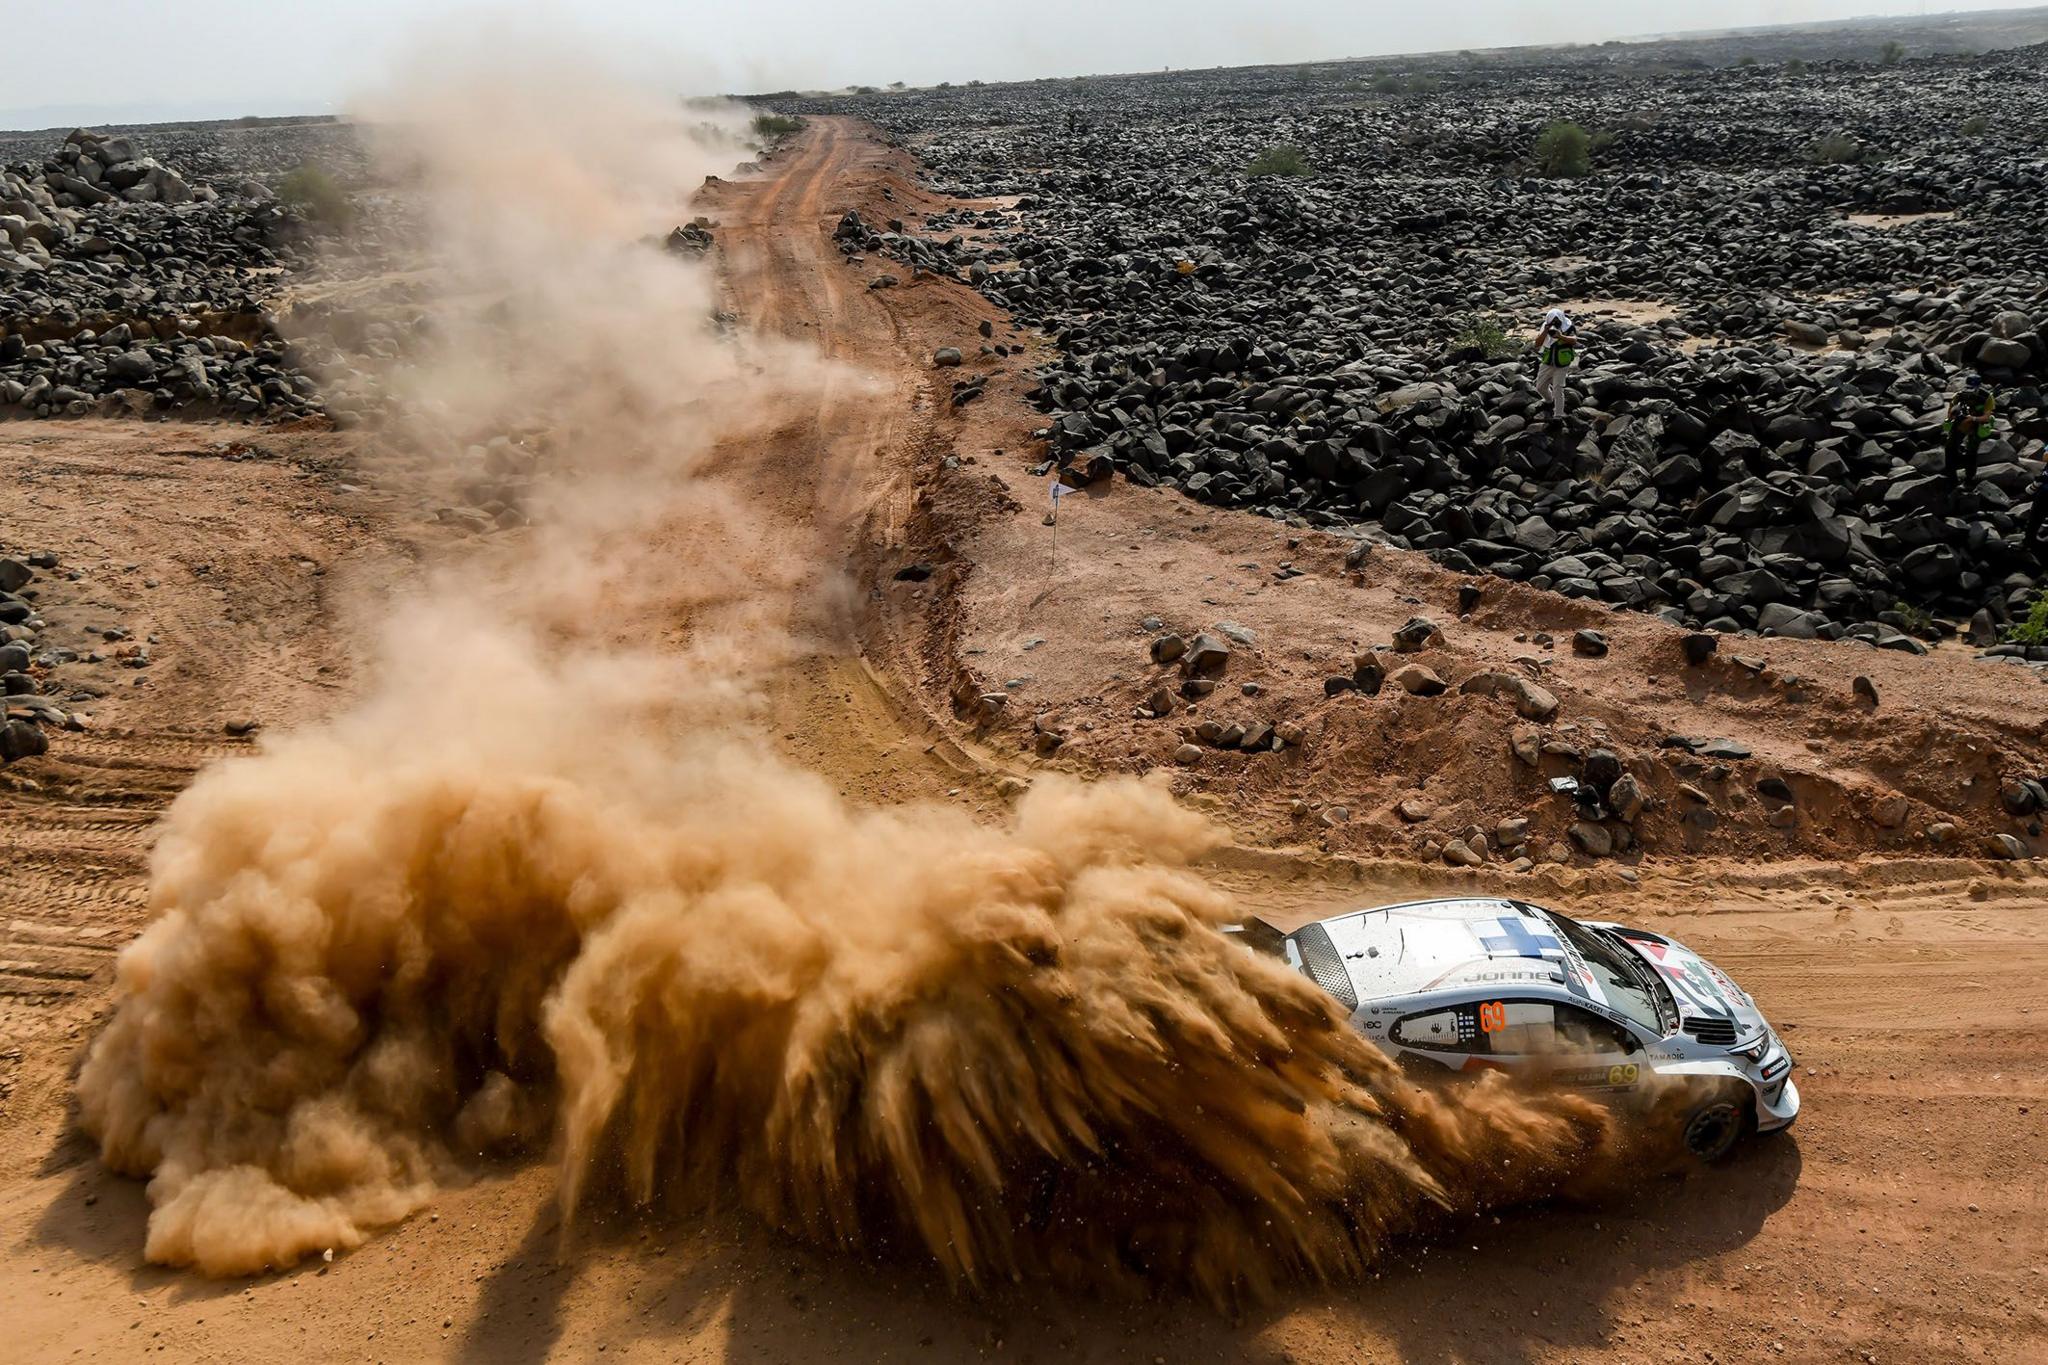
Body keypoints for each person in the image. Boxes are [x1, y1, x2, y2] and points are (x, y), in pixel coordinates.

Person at [1944, 374, 1996, 496]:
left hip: (1978, 422)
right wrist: (1952, 416)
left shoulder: (1987, 397)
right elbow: (1950, 414)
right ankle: (1951, 477)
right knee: (1949, 447)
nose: (1969, 392)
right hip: (1962, 421)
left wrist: (1971, 418)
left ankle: (1969, 480)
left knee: (1971, 451)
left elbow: (1986, 417)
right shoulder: (1959, 395)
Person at [1534, 308, 1580, 424]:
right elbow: (1537, 344)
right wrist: (1546, 331)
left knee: (1558, 388)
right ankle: (1549, 401)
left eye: (1557, 320)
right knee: (1540, 387)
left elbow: (1574, 340)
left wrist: (1561, 336)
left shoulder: (1568, 326)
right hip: (1547, 361)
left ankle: (1558, 415)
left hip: (1562, 362)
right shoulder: (1545, 326)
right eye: (1552, 320)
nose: (1555, 323)